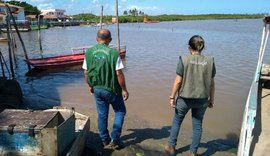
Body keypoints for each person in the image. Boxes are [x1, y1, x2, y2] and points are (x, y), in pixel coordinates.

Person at [165, 35, 216, 156]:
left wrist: (172, 97)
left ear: (189, 48)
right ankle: (193, 153)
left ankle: (171, 147)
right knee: (197, 126)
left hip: (184, 99)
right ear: (202, 48)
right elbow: (212, 84)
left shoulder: (184, 59)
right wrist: (211, 99)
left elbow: (178, 81)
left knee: (177, 121)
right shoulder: (210, 61)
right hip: (202, 99)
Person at [82, 28, 129, 149]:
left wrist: (91, 86)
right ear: (110, 40)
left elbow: (86, 73)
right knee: (120, 111)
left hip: (97, 89)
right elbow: (118, 73)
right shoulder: (114, 53)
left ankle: (104, 139)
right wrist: (124, 89)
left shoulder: (88, 52)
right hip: (112, 90)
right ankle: (115, 139)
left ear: (97, 39)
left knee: (102, 114)